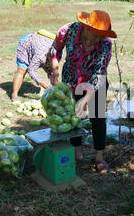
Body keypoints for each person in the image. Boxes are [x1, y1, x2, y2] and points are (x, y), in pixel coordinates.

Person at [48, 10, 117, 174]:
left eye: (102, 35)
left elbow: (99, 74)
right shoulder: (69, 30)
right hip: (72, 80)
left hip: (95, 83)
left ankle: (99, 157)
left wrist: (86, 99)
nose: (99, 39)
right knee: (74, 117)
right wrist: (55, 68)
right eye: (97, 35)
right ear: (87, 28)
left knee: (98, 117)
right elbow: (54, 48)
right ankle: (77, 153)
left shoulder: (105, 44)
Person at [11, 32, 60, 101]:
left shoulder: (58, 53)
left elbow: (53, 69)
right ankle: (14, 95)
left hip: (39, 43)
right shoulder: (40, 55)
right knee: (22, 70)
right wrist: (43, 84)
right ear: (48, 56)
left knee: (50, 70)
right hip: (27, 42)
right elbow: (31, 70)